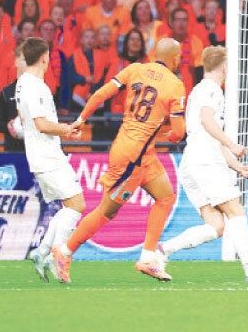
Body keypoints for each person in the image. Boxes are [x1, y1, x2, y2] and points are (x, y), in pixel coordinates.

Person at [49, 38, 187, 283]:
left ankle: (148, 258)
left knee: (165, 197)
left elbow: (102, 93)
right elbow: (178, 132)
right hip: (133, 157)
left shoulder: (135, 69)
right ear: (175, 59)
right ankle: (65, 251)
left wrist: (81, 119)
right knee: (107, 211)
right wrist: (170, 133)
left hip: (136, 150)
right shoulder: (176, 85)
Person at [157, 46, 248, 284]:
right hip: (205, 163)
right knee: (236, 212)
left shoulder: (198, 90)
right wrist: (232, 144)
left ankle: (162, 250)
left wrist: (237, 167)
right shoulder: (212, 90)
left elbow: (211, 137)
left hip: (193, 161)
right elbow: (207, 121)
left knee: (216, 226)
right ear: (224, 66)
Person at [15, 38, 85, 282]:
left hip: (45, 154)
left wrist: (63, 131)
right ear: (44, 58)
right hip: (46, 157)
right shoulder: (34, 86)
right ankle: (57, 255)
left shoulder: (23, 83)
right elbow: (42, 124)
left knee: (69, 206)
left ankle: (42, 251)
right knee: (77, 205)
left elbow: (24, 119)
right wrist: (67, 129)